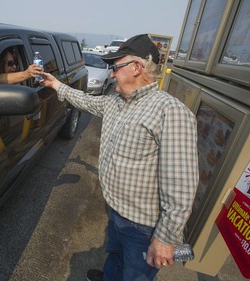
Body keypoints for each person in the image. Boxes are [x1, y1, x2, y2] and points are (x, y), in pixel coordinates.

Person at [40, 34, 199, 281]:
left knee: (135, 275)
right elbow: (86, 101)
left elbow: (180, 187)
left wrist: (165, 239)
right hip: (116, 212)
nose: (111, 74)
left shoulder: (171, 112)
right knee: (114, 257)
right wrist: (56, 85)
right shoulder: (116, 101)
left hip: (143, 228)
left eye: (115, 67)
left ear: (137, 68)